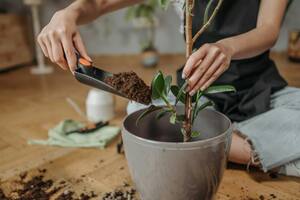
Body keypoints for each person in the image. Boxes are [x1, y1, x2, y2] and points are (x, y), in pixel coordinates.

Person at [37, 0, 300, 177]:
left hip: (261, 89)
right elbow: (99, 3)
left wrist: (227, 48)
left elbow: (268, 30)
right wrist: (67, 13)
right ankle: (247, 147)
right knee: (138, 107)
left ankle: (188, 143)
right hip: (196, 97)